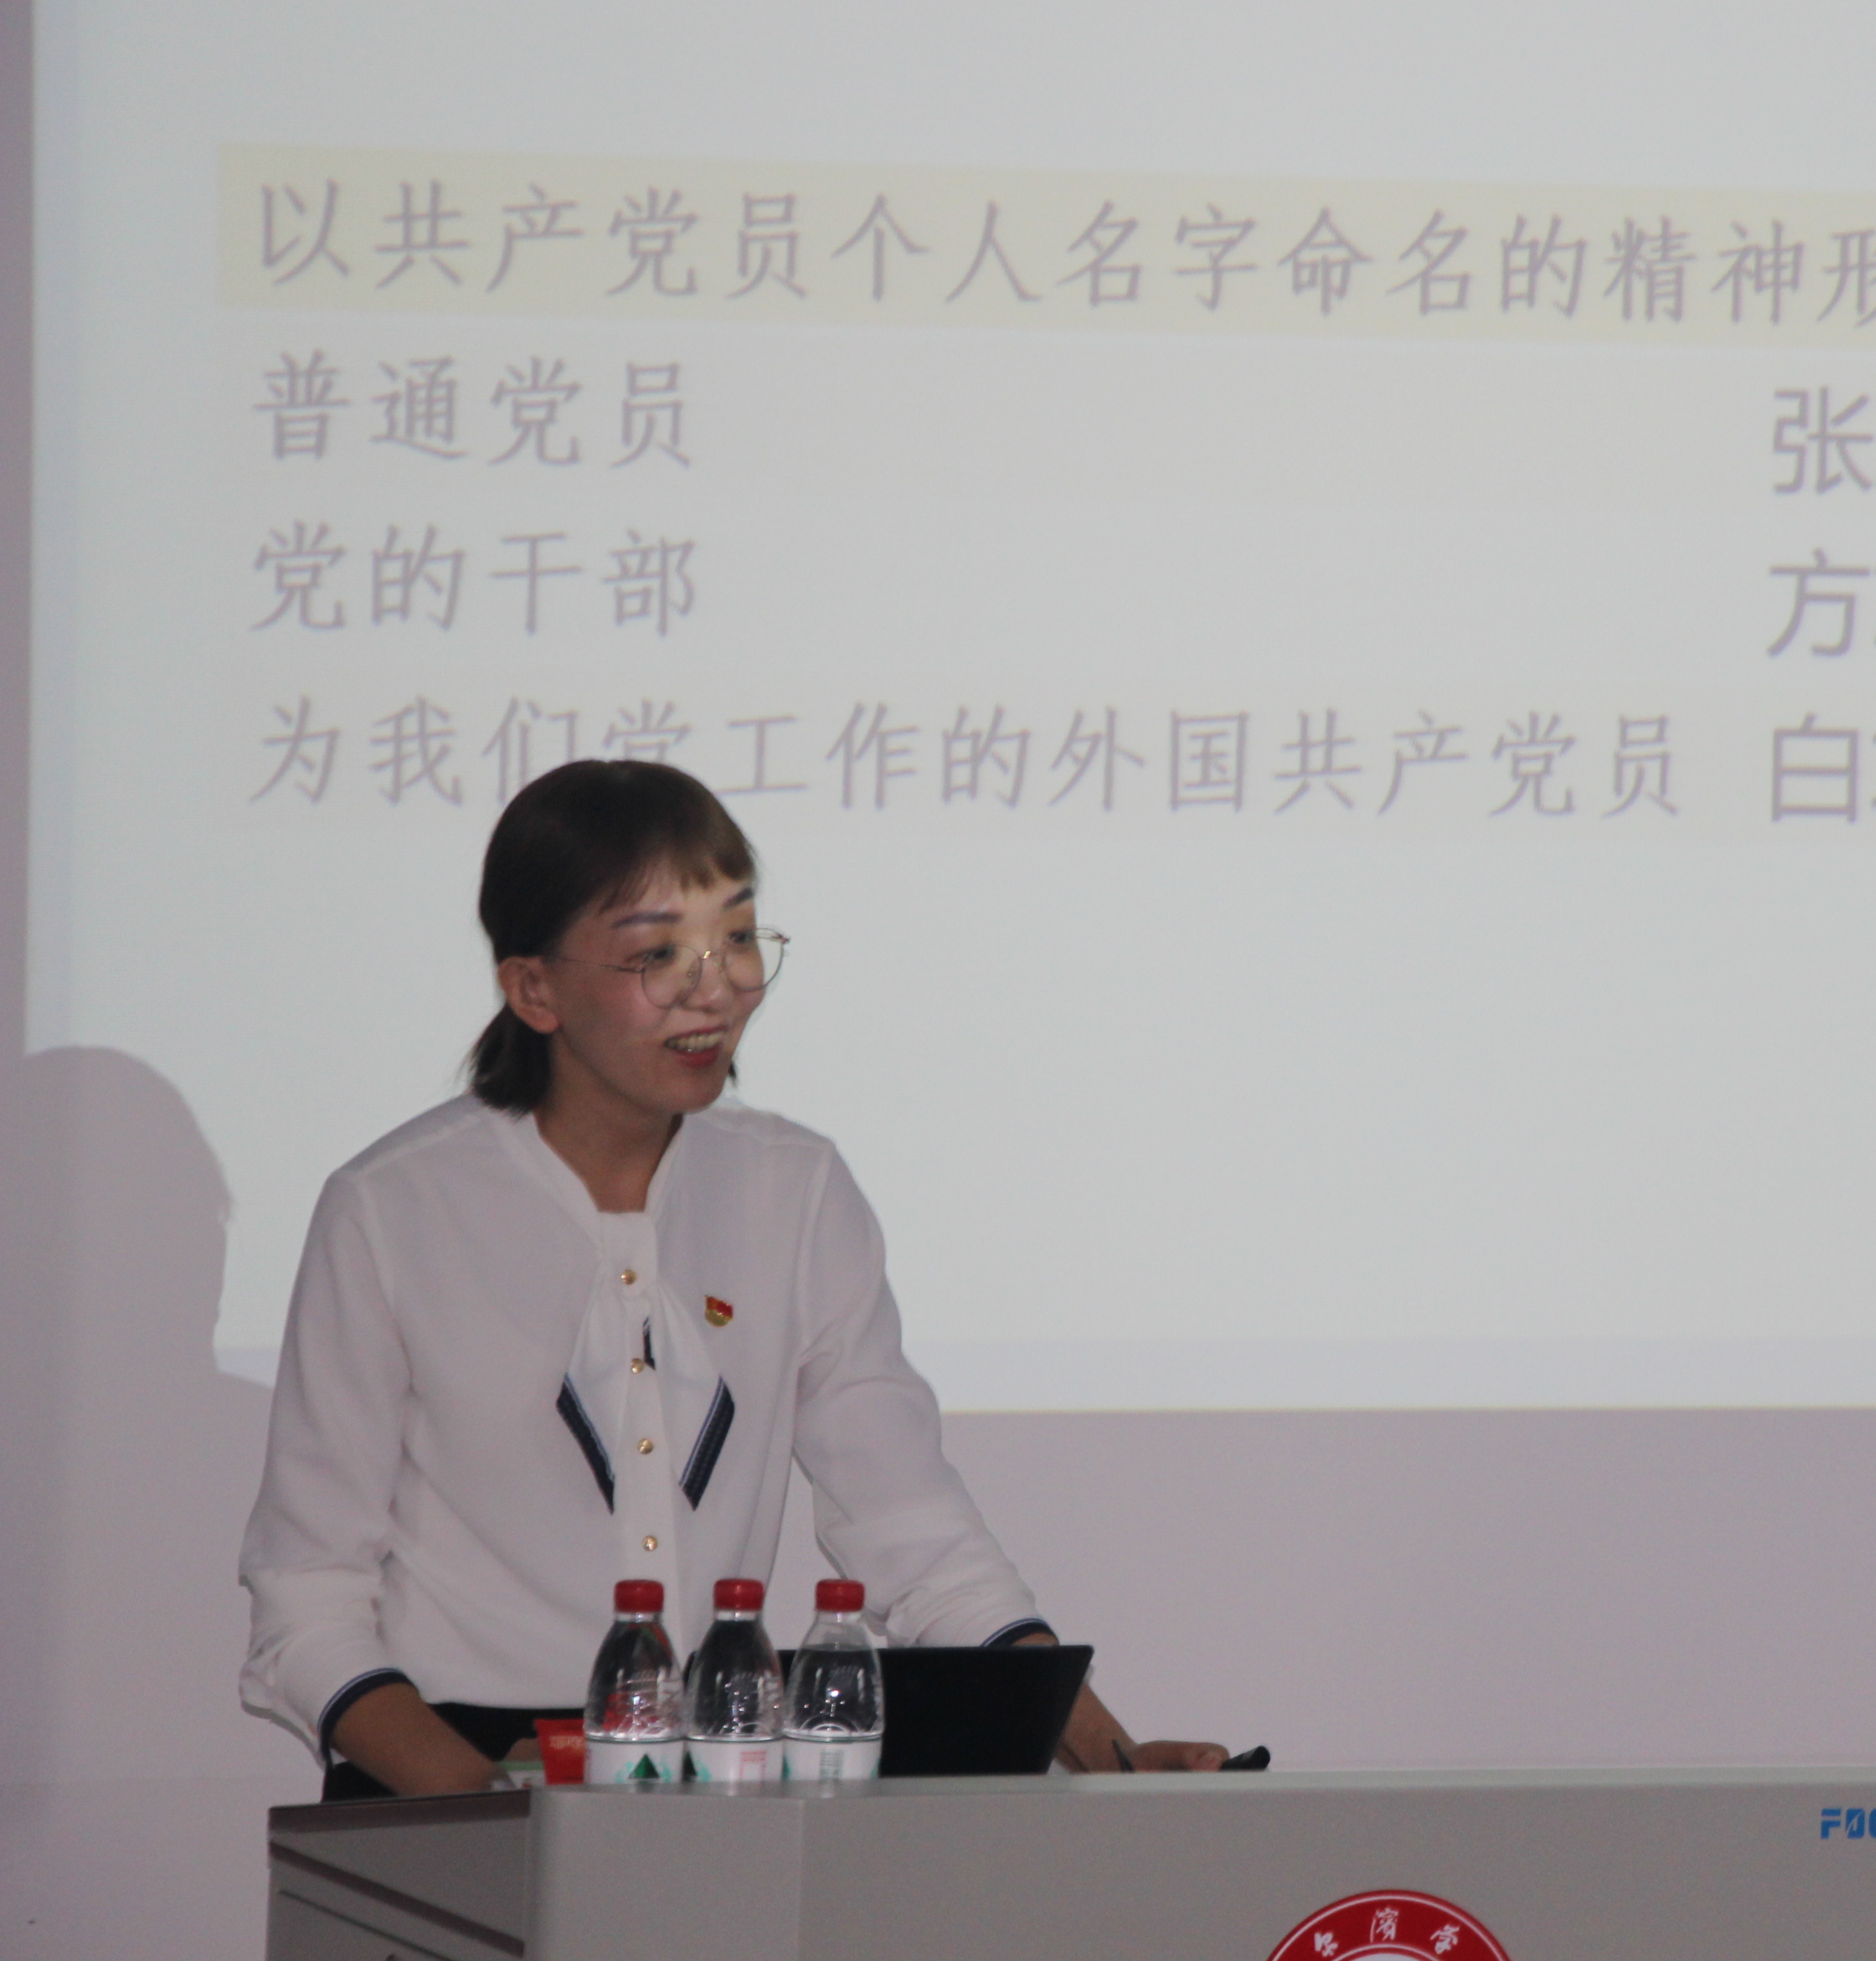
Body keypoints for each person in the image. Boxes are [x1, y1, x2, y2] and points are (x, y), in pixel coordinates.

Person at [239, 760, 1221, 1794]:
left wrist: (1113, 1757)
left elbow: (911, 1530)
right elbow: (307, 1591)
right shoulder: (393, 1208)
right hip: (440, 1782)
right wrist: (488, 1805)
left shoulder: (792, 1189)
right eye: (657, 955)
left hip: (704, 1781)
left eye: (738, 938)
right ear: (534, 989)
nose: (716, 989)